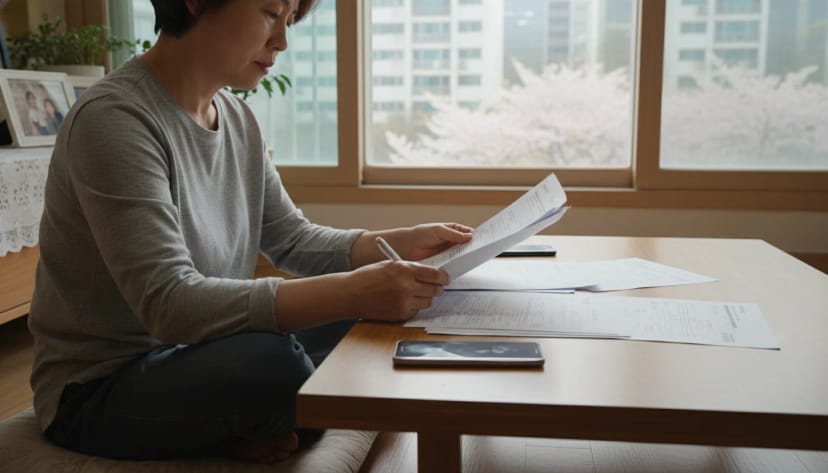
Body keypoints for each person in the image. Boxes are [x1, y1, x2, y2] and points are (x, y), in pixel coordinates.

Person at [28, 0, 473, 464]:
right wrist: (353, 291)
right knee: (276, 366)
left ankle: (259, 422)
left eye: (289, 21)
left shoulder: (237, 120)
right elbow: (170, 304)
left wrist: (402, 243)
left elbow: (293, 239)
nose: (282, 40)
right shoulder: (115, 119)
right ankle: (267, 415)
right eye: (269, 13)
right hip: (100, 387)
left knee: (379, 323)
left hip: (200, 351)